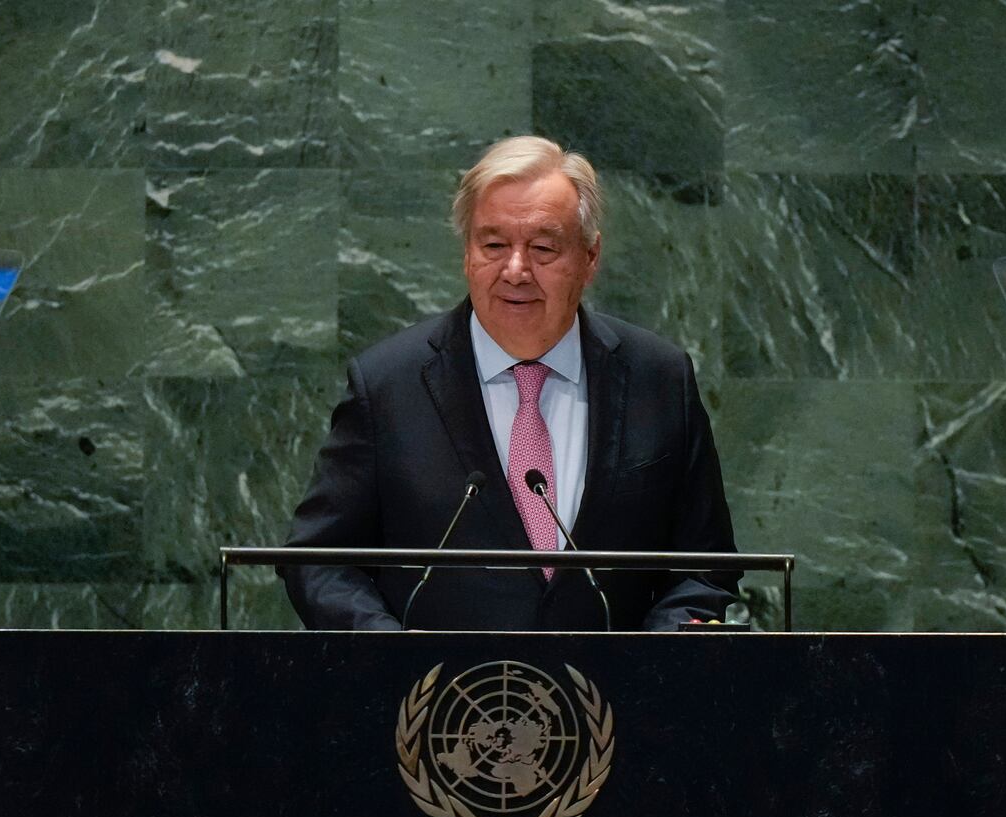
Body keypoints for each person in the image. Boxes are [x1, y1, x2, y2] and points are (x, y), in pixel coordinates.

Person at [283, 135, 738, 631]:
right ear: (467, 254)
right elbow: (320, 558)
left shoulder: (660, 378)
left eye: (543, 248)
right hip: (437, 701)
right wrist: (390, 652)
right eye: (494, 245)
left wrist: (659, 654)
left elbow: (704, 567)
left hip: (619, 700)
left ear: (590, 257)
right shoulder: (388, 385)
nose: (516, 270)